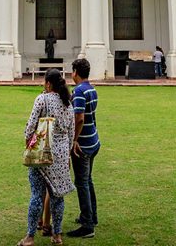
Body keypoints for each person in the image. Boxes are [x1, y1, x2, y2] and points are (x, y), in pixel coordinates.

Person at [18, 69, 75, 246]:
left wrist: (28, 143)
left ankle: (29, 237)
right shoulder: (68, 103)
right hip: (61, 154)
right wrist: (66, 154)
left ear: (48, 84)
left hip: (42, 154)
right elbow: (71, 133)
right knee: (58, 197)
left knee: (37, 195)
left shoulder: (42, 99)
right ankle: (57, 235)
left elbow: (30, 126)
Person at [67, 58, 99, 239]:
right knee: (88, 180)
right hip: (93, 141)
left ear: (75, 72)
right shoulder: (91, 88)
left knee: (82, 182)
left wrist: (74, 140)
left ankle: (87, 225)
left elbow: (79, 118)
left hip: (84, 145)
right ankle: (91, 217)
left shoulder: (79, 91)